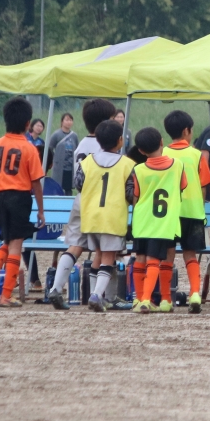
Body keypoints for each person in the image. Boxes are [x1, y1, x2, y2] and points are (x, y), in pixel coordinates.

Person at [46, 99, 117, 310]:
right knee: (103, 249)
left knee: (75, 245)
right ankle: (97, 295)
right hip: (101, 201)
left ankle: (56, 288)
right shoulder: (106, 145)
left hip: (81, 198)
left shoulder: (81, 144)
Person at [0, 97, 45, 308]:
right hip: (20, 197)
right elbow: (36, 183)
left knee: (7, 241)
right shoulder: (29, 148)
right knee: (16, 244)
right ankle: (5, 295)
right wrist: (41, 210)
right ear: (27, 124)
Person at [73, 119, 132, 312]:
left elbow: (78, 185)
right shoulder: (127, 164)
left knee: (98, 255)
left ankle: (94, 293)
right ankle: (97, 295)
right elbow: (131, 194)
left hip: (91, 217)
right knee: (108, 257)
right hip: (112, 218)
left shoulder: (86, 162)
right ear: (120, 140)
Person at [127, 127, 187, 314]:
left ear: (141, 151)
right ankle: (149, 299)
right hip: (163, 222)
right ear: (162, 142)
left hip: (142, 219)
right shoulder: (177, 165)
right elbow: (182, 187)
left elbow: (136, 196)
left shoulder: (138, 169)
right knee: (155, 260)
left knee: (140, 258)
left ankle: (138, 299)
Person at [158, 110, 210, 313]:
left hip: (169, 213)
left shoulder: (162, 154)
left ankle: (165, 300)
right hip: (193, 212)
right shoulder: (196, 155)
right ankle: (195, 293)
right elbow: (204, 185)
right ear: (186, 131)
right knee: (191, 255)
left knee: (167, 256)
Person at [45, 113, 77, 194]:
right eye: (67, 120)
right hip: (59, 167)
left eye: (70, 120)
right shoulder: (56, 134)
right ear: (62, 121)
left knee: (69, 189)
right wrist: (54, 159)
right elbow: (49, 148)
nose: (69, 122)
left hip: (71, 168)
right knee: (58, 187)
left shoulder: (74, 136)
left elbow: (77, 149)